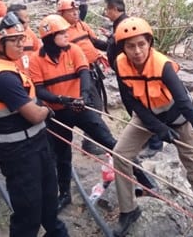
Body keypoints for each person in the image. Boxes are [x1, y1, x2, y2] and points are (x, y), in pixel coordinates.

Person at [112, 17, 193, 237]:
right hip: (146, 116)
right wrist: (157, 127)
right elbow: (130, 101)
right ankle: (129, 210)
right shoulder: (120, 63)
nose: (137, 51)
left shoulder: (163, 66)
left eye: (141, 44)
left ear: (149, 43)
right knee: (119, 154)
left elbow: (187, 106)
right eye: (130, 46)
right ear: (123, 48)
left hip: (177, 116)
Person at [29, 14, 154, 212]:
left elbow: (84, 74)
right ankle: (64, 194)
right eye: (61, 33)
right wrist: (63, 100)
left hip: (80, 108)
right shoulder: (37, 60)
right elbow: (40, 90)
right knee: (61, 155)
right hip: (58, 113)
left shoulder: (74, 51)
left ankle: (144, 179)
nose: (66, 35)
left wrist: (83, 97)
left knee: (111, 143)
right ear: (49, 36)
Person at [0, 13, 69, 237]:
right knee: (28, 216)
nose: (22, 43)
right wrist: (47, 109)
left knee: (49, 203)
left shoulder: (8, 67)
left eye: (22, 38)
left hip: (36, 146)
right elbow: (34, 115)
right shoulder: (1, 77)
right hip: (20, 154)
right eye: (15, 40)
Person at [102, 0, 163, 159]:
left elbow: (143, 49)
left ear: (114, 9)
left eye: (107, 9)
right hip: (125, 74)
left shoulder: (128, 26)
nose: (106, 13)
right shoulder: (119, 26)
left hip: (133, 75)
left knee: (142, 108)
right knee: (135, 109)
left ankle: (155, 142)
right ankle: (145, 138)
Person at [57, 0, 109, 154]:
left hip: (92, 69)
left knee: (96, 105)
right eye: (71, 11)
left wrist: (113, 44)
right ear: (62, 13)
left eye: (76, 10)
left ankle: (90, 141)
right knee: (93, 106)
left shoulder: (82, 25)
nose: (75, 13)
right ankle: (89, 142)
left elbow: (94, 42)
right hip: (79, 73)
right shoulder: (61, 32)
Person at [8, 3, 41, 73]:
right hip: (14, 74)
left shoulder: (30, 33)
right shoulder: (6, 36)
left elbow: (38, 51)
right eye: (25, 17)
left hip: (31, 74)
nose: (28, 20)